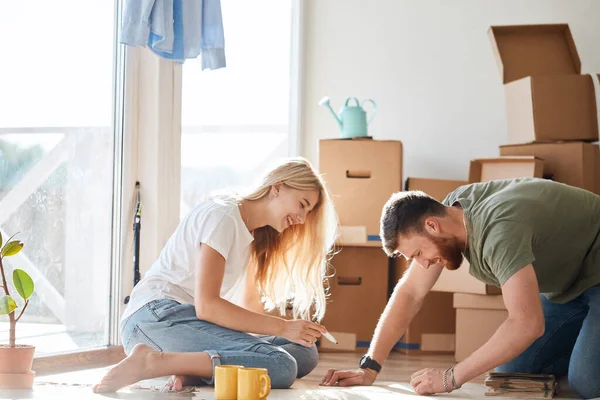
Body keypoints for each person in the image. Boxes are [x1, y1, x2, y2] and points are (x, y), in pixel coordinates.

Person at [320, 177, 600, 399]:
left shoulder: (499, 231)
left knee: (587, 384)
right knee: (514, 374)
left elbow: (526, 323)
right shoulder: (451, 212)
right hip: (568, 286)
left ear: (432, 226)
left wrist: (450, 377)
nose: (424, 264)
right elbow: (410, 292)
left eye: (418, 254)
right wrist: (370, 366)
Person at [93, 158, 338, 393]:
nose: (302, 219)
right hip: (153, 319)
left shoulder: (250, 233)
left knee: (304, 353)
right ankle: (150, 361)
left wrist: (292, 332)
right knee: (282, 366)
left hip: (187, 323)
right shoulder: (224, 216)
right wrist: (283, 327)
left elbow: (248, 306)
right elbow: (207, 307)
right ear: (277, 187)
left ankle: (187, 367)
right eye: (302, 205)